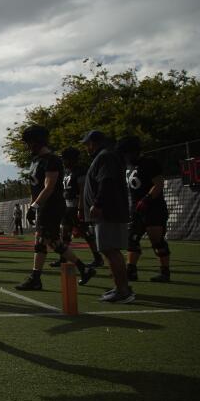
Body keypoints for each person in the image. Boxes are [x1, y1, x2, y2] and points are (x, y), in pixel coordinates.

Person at [15, 126, 95, 290]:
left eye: (28, 142)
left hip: (52, 205)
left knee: (46, 240)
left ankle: (38, 277)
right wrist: (33, 205)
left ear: (37, 141)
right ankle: (80, 269)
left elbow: (49, 186)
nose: (27, 146)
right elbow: (35, 187)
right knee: (46, 240)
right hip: (43, 205)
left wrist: (34, 206)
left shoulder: (52, 160)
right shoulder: (35, 160)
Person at [82, 130, 134, 303]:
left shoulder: (105, 157)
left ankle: (123, 291)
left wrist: (98, 204)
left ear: (94, 142)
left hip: (108, 212)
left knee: (110, 249)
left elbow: (106, 181)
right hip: (107, 212)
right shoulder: (105, 156)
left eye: (87, 144)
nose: (86, 148)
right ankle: (120, 286)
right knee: (109, 249)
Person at [117, 136, 171, 282]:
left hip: (154, 207)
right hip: (136, 209)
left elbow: (159, 183)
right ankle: (131, 271)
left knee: (157, 240)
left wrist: (147, 199)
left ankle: (165, 272)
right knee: (132, 239)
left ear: (134, 151)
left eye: (126, 153)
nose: (125, 157)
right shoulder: (128, 167)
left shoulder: (149, 162)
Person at [60, 147, 104, 267]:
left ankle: (98, 258)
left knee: (85, 232)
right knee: (65, 232)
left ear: (71, 159)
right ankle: (63, 257)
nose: (63, 161)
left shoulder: (80, 171)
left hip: (77, 205)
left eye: (65, 159)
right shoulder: (67, 171)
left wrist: (80, 208)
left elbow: (82, 189)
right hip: (67, 206)